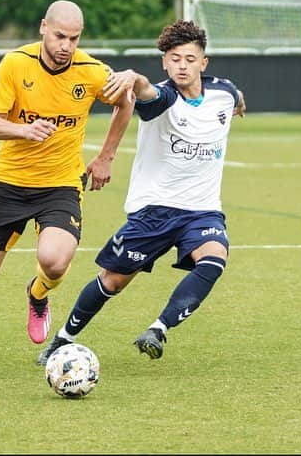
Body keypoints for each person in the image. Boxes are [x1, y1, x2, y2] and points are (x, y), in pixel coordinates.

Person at [0, 0, 138, 377]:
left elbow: (125, 102)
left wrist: (106, 156)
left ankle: (38, 293)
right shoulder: (15, 63)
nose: (66, 45)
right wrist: (23, 130)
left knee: (55, 261)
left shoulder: (91, 70)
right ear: (43, 27)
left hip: (60, 185)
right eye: (60, 36)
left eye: (74, 38)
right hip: (8, 184)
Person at [36, 19, 245, 365]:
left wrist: (240, 102)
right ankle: (63, 338)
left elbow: (234, 97)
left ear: (203, 63)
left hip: (202, 210)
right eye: (174, 58)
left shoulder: (223, 92)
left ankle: (158, 329)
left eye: (190, 59)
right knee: (113, 282)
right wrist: (133, 78)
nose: (182, 65)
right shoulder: (161, 97)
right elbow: (146, 91)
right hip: (154, 212)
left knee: (214, 259)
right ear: (165, 61)